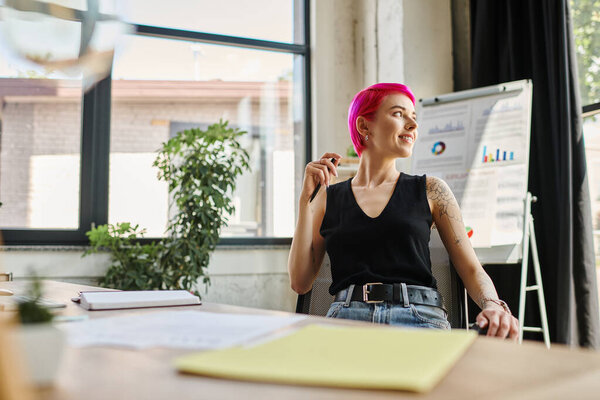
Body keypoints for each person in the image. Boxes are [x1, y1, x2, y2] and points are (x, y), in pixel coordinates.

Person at [288, 82, 519, 340]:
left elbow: (472, 268)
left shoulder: (432, 190)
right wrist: (304, 201)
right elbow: (300, 282)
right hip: (347, 320)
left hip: (420, 319)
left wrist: (493, 305)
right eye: (399, 114)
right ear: (364, 126)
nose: (412, 124)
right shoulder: (327, 199)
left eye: (413, 117)